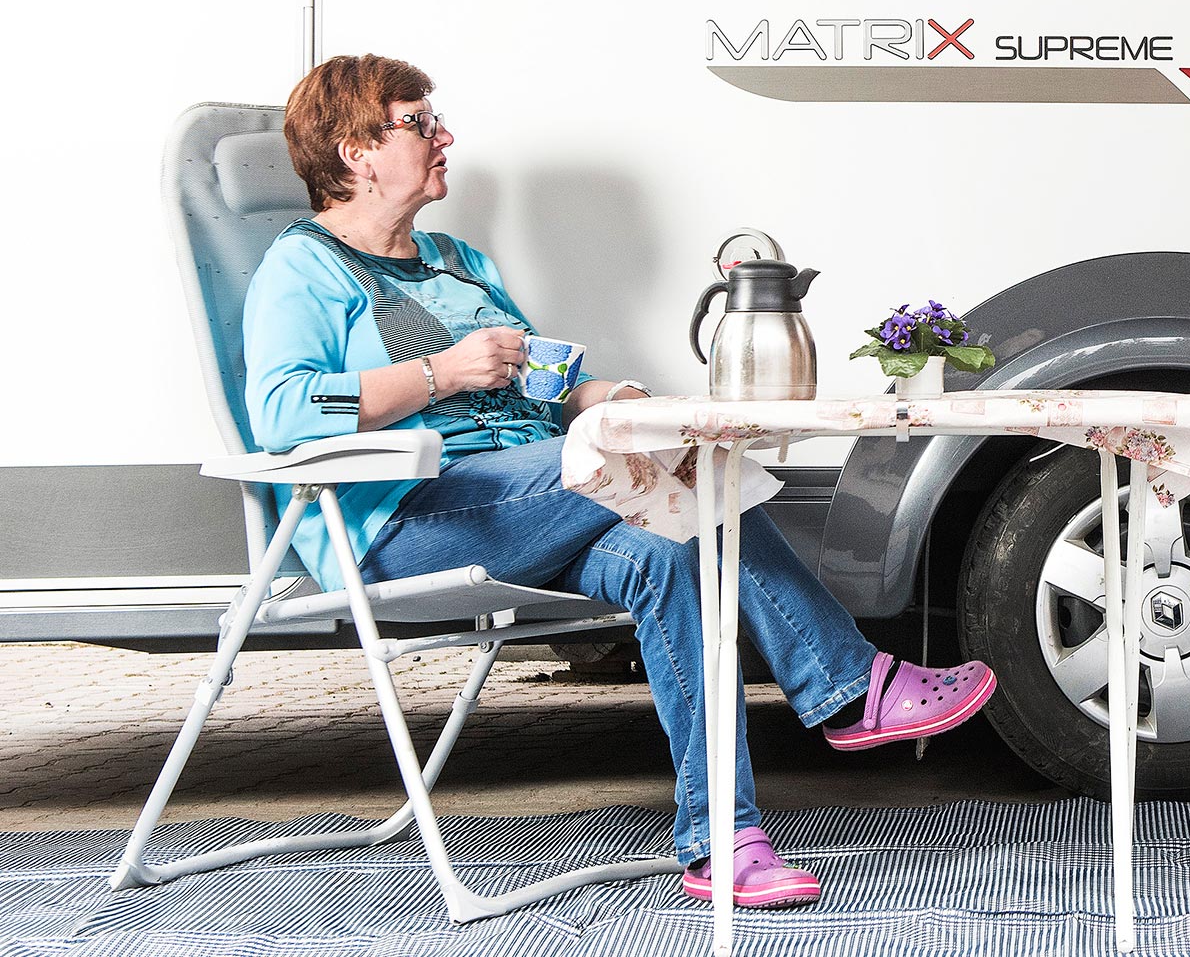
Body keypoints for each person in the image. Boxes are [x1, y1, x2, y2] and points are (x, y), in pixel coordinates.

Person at [243, 54, 997, 909]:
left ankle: (722, 842)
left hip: (534, 504)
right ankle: (852, 688)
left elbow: (540, 383)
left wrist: (617, 400)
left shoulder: (460, 261)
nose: (444, 136)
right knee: (682, 477)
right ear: (356, 152)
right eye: (419, 122)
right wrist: (439, 374)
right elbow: (281, 411)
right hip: (409, 520)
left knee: (670, 547)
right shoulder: (302, 269)